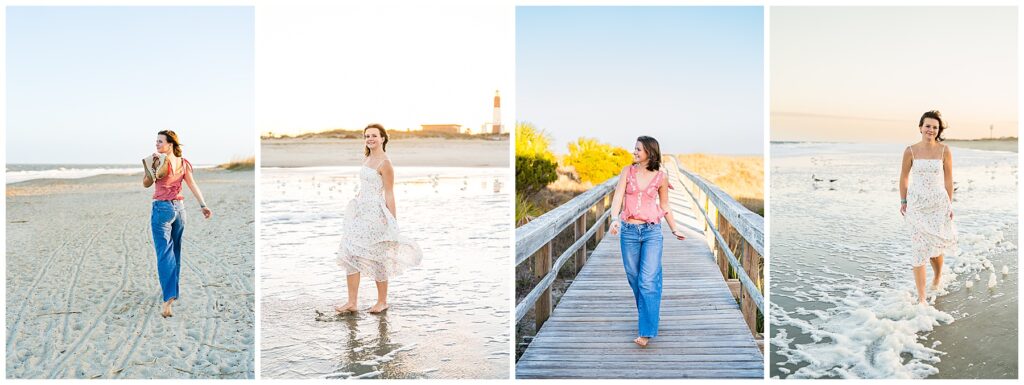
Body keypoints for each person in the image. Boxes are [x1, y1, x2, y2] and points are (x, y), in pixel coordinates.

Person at [335, 124, 422, 314]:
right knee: (349, 253)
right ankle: (352, 302)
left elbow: (389, 194)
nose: (370, 139)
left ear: (383, 138)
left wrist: (392, 221)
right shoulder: (367, 158)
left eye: (374, 135)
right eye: (367, 136)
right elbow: (365, 185)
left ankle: (382, 302)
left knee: (377, 257)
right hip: (360, 212)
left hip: (376, 214)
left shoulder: (385, 163)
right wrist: (357, 203)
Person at [609, 135, 686, 347]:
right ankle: (651, 314)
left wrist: (674, 228)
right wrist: (614, 220)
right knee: (634, 278)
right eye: (634, 149)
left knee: (647, 280)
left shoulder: (661, 177)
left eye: (638, 149)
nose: (634, 152)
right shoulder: (627, 171)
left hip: (652, 232)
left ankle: (646, 332)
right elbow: (617, 198)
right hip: (629, 232)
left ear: (650, 153)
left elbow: (665, 205)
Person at [142, 130, 212, 318]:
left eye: (160, 141)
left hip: (162, 209)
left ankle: (168, 299)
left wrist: (152, 166)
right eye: (156, 141)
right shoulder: (183, 163)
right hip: (180, 210)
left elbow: (146, 183)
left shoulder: (160, 161)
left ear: (171, 144)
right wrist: (202, 205)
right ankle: (173, 291)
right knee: (175, 252)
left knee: (164, 254)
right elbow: (192, 185)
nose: (156, 144)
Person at [899, 110, 957, 305]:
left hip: (938, 205)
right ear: (920, 127)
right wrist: (903, 201)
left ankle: (938, 276)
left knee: (935, 249)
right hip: (916, 205)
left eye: (935, 127)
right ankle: (922, 299)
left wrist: (950, 204)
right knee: (918, 250)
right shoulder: (910, 151)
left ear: (938, 130)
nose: (931, 129)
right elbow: (904, 177)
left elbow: (949, 180)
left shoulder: (944, 150)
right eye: (928, 126)